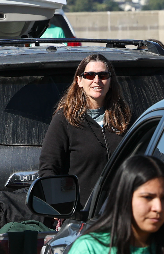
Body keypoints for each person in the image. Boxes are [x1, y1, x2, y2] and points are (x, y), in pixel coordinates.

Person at [39, 54, 131, 202]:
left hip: (120, 208)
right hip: (81, 211)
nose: (97, 80)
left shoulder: (125, 118)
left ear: (110, 80)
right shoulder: (65, 119)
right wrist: (60, 204)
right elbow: (48, 168)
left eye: (103, 75)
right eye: (90, 75)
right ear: (79, 81)